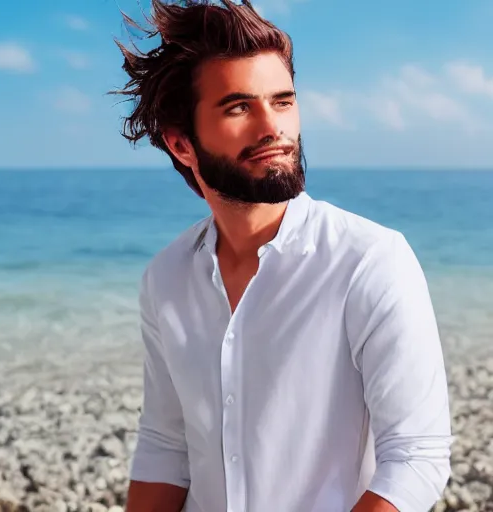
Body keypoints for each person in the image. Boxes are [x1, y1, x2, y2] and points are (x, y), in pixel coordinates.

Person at [114, 1, 453, 511]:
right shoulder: (165, 278)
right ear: (182, 144)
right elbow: (167, 445)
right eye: (238, 107)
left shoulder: (370, 261)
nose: (273, 128)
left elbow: (416, 457)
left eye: (283, 101)